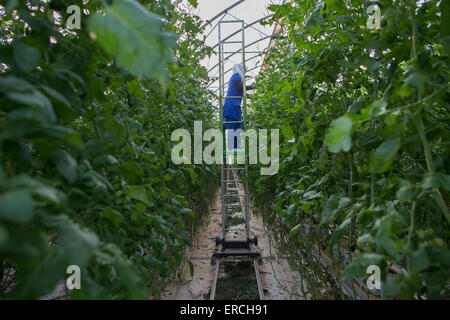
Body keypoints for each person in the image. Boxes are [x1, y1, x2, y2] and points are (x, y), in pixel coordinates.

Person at [222, 64, 253, 150]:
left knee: (237, 125)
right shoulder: (236, 76)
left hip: (234, 105)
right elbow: (240, 87)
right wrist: (253, 86)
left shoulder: (237, 78)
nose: (245, 73)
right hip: (232, 104)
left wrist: (251, 96)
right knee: (233, 125)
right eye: (244, 71)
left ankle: (236, 146)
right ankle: (232, 147)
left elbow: (242, 91)